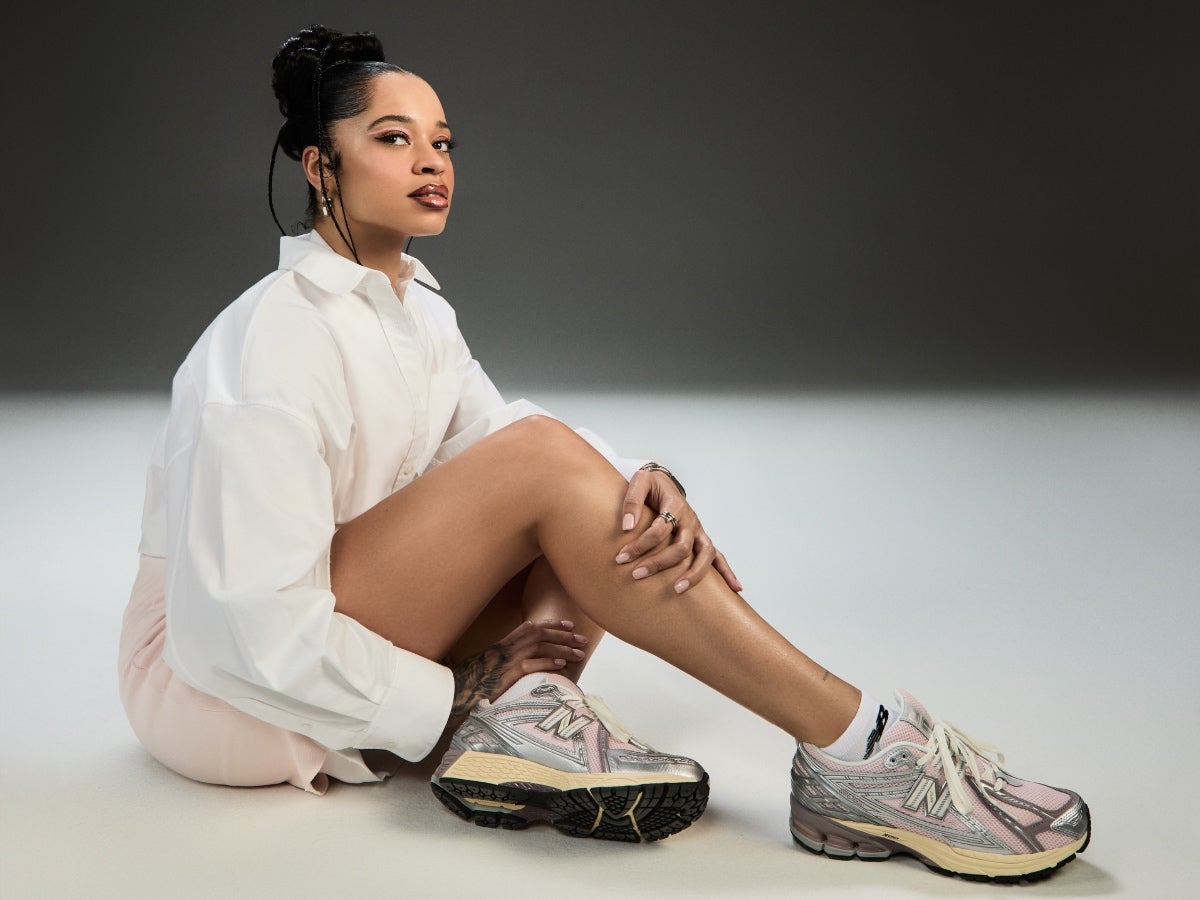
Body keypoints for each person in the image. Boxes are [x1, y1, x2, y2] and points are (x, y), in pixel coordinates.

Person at [117, 24, 1090, 881]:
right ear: (319, 166)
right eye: (393, 138)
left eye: (443, 142)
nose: (431, 161)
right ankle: (858, 745)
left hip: (325, 626)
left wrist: (644, 480)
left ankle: (536, 714)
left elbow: (497, 451)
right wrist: (450, 695)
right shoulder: (273, 339)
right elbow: (239, 629)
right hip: (217, 686)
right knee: (552, 467)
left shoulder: (416, 315)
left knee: (591, 491)